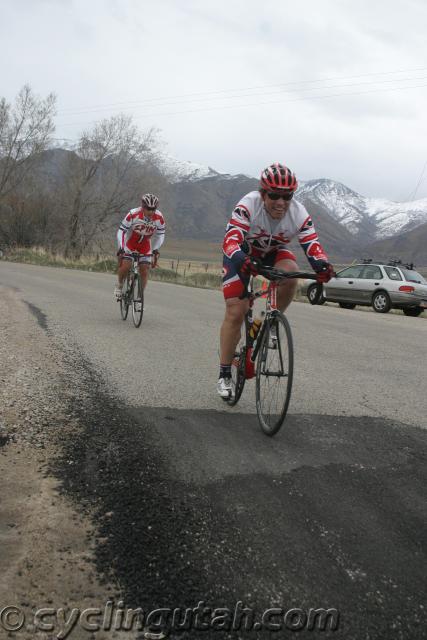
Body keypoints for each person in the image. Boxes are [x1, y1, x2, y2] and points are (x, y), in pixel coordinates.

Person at [217, 162, 335, 397]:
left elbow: (312, 245)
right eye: (274, 195)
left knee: (290, 273)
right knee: (236, 311)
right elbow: (230, 240)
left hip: (273, 253)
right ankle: (224, 374)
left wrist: (322, 265)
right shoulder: (249, 204)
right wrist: (242, 259)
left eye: (287, 196)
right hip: (242, 252)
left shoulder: (298, 212)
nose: (281, 202)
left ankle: (269, 320)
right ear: (263, 194)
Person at [114, 193, 165, 299]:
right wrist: (122, 247)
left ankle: (139, 296)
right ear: (142, 207)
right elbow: (121, 231)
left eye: (153, 209)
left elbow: (161, 235)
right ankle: (119, 285)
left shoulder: (159, 217)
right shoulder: (133, 214)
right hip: (131, 244)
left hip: (145, 245)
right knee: (126, 265)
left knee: (144, 269)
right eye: (148, 208)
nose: (150, 211)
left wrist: (155, 249)